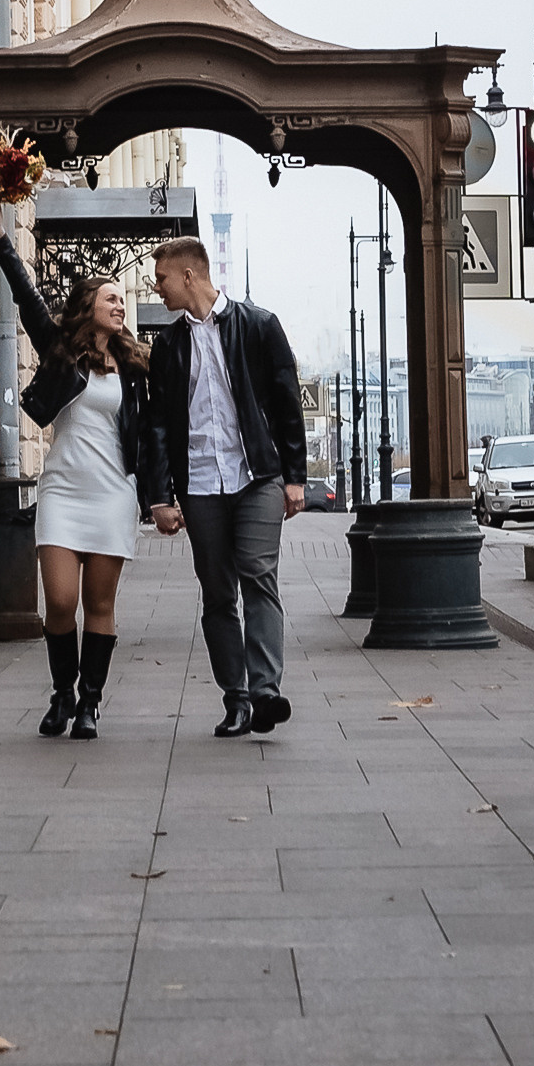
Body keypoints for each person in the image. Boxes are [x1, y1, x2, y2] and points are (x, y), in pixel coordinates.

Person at [0, 199, 152, 738]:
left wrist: (163, 493)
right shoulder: (61, 353)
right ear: (88, 307)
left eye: (123, 299)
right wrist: (3, 240)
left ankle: (89, 704)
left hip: (112, 496)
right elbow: (30, 303)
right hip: (62, 493)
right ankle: (61, 693)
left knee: (99, 605)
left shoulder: (136, 367)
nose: (120, 306)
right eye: (111, 298)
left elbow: (156, 436)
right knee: (59, 602)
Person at [144, 233, 306, 740]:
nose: (157, 288)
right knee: (217, 594)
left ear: (189, 274)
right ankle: (235, 698)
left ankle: (265, 693)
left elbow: (286, 403)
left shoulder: (259, 325)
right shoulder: (168, 345)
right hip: (199, 483)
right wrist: (160, 495)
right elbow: (157, 426)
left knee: (259, 576)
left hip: (256, 475)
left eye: (163, 278)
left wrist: (295, 477)